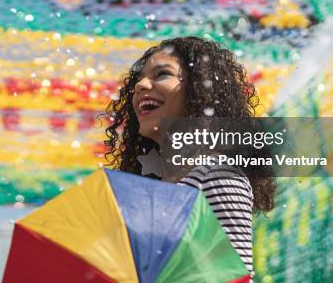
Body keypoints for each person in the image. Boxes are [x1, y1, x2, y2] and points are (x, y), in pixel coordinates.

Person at [104, 36, 276, 278]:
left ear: (200, 90)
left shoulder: (216, 175)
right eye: (139, 79)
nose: (141, 85)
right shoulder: (152, 188)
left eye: (162, 74)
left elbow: (233, 277)